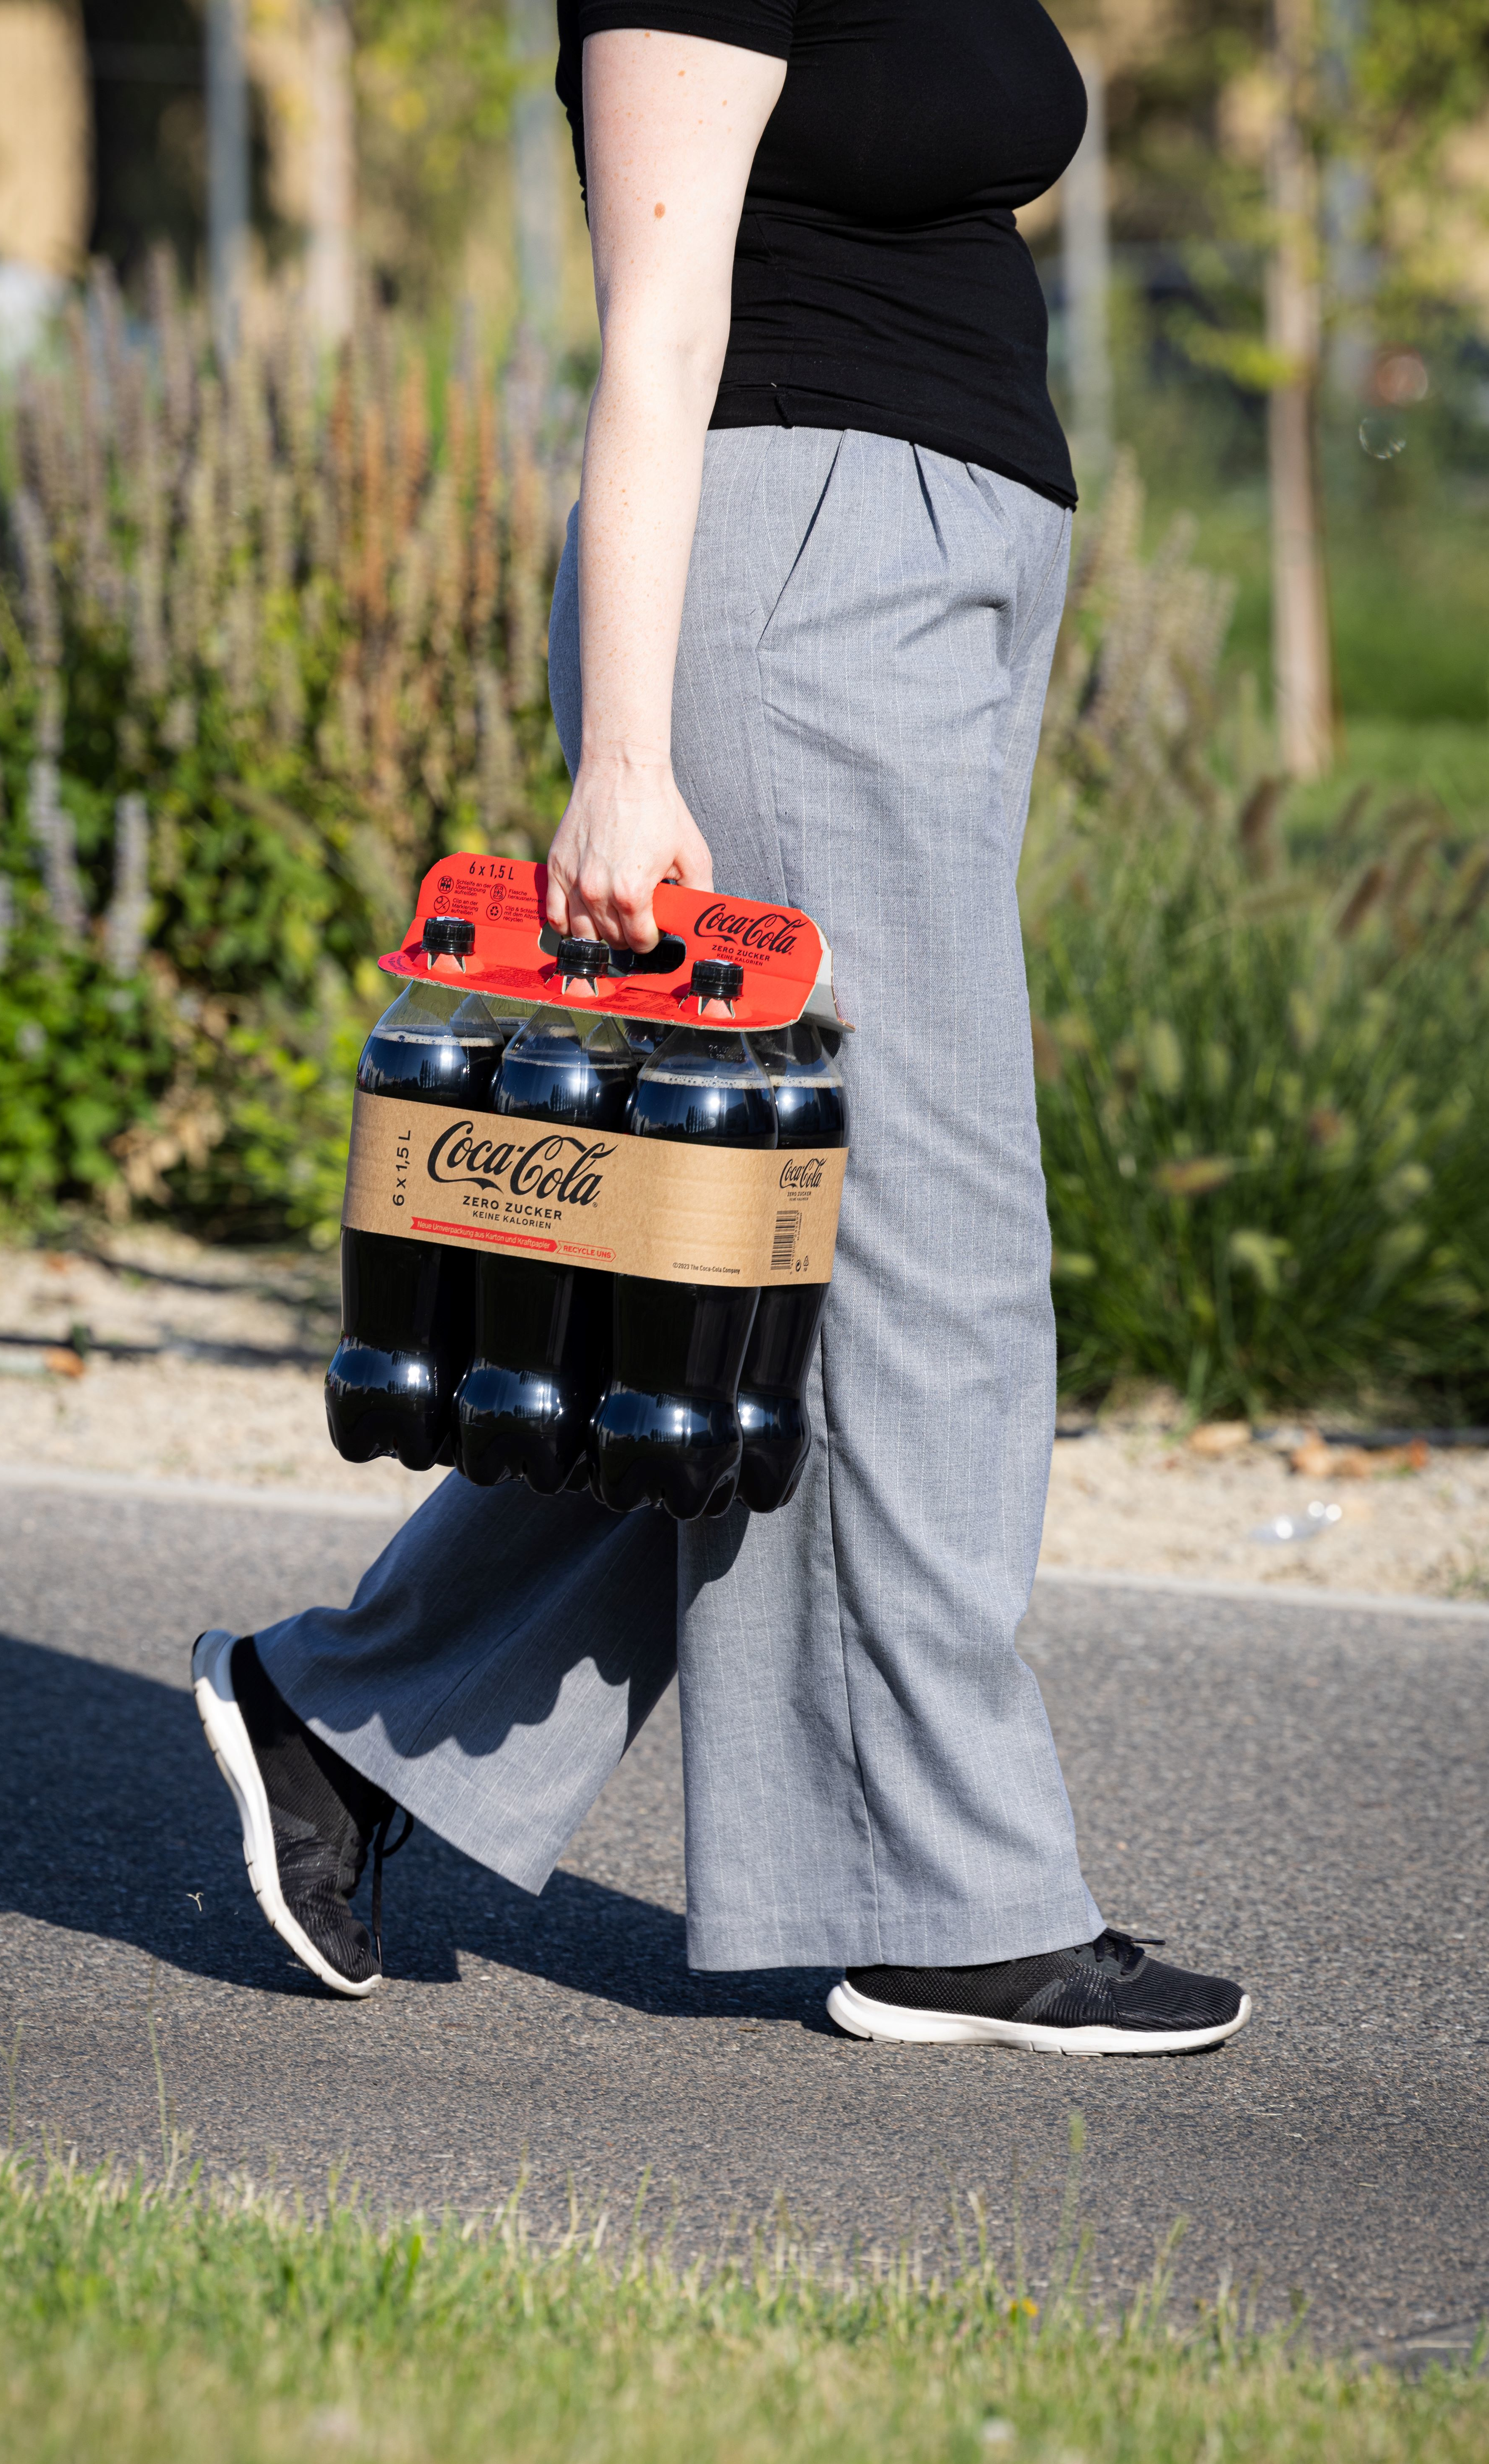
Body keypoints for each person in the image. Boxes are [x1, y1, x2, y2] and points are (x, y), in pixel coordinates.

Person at [191, 0, 1251, 2055]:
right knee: (919, 1264)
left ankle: (351, 1715)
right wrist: (625, 758)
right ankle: (948, 1900)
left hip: (921, 577)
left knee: (750, 1284)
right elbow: (659, 330)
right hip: (795, 589)